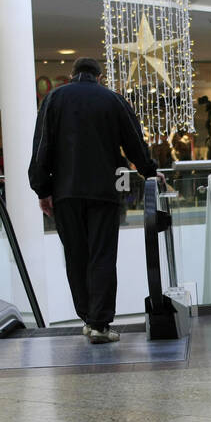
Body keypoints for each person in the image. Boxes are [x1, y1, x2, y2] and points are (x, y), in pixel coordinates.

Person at [28, 57, 160, 344]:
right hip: (104, 192)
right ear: (99, 76)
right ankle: (100, 324)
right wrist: (150, 170)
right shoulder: (112, 100)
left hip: (66, 193)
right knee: (102, 255)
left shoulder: (54, 99)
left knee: (76, 256)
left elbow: (42, 146)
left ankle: (88, 318)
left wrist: (42, 190)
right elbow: (134, 142)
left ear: (73, 75)